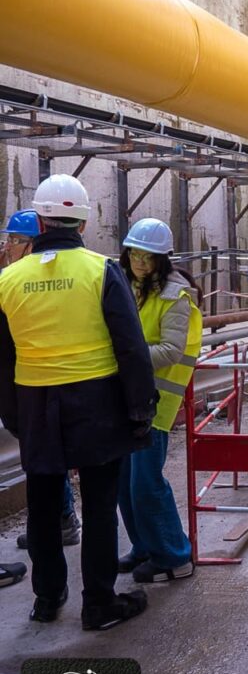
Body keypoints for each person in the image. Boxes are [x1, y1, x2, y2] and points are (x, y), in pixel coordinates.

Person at [0, 174, 157, 629]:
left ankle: (47, 599)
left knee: (43, 504)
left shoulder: (8, 279)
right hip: (96, 403)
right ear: (84, 224)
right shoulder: (101, 271)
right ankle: (99, 603)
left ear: (40, 222)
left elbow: (2, 356)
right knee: (100, 504)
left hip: (35, 403)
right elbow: (131, 347)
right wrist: (140, 409)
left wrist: (13, 415)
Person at [117, 217, 201, 583]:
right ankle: (145, 547)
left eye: (147, 256)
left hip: (156, 400)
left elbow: (170, 350)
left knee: (145, 482)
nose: (139, 262)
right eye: (134, 254)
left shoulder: (174, 296)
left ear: (161, 259)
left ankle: (175, 556)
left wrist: (123, 356)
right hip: (126, 396)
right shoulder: (126, 285)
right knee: (125, 482)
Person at [1, 210, 81, 550]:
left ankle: (61, 520)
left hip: (43, 383)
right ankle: (61, 519)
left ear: (33, 243)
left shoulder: (34, 279)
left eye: (15, 240)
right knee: (46, 459)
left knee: (46, 460)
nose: (8, 246)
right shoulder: (15, 278)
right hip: (34, 383)